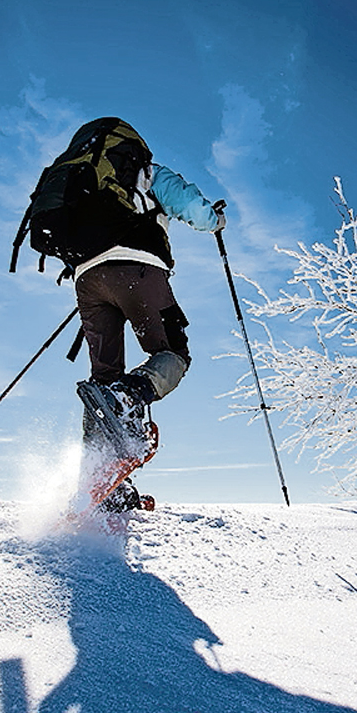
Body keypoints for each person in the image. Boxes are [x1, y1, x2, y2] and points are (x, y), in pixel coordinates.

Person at [68, 119, 225, 509]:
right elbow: (193, 209)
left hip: (87, 278)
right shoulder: (146, 173)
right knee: (174, 354)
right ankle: (131, 394)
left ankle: (99, 480)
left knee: (102, 382)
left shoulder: (85, 180)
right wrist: (216, 220)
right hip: (138, 270)